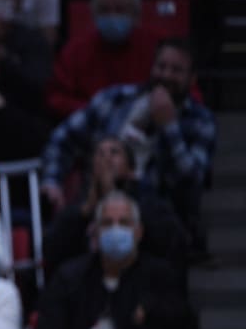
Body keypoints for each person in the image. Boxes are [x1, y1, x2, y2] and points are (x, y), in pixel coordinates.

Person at [40, 38, 215, 259]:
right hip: (95, 202)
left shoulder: (200, 121)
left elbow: (191, 183)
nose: (166, 75)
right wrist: (51, 181)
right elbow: (62, 138)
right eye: (161, 67)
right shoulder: (114, 99)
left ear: (192, 79)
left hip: (159, 216)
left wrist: (169, 127)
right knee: (61, 235)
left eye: (176, 70)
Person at [27, 191, 180, 329]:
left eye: (124, 223)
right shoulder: (69, 277)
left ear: (139, 231)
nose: (116, 230)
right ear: (96, 233)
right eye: (107, 223)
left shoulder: (159, 278)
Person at [43, 137, 189, 284]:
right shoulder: (77, 211)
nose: (106, 158)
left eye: (114, 152)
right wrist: (85, 212)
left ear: (131, 170)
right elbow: (51, 252)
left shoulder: (152, 205)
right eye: (100, 154)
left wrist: (115, 199)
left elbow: (173, 244)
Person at [46, 0, 163, 119]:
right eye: (105, 10)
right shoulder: (75, 50)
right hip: (89, 125)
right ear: (94, 15)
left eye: (120, 10)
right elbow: (55, 98)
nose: (112, 16)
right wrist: (95, 110)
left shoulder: (156, 47)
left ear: (136, 15)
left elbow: (183, 91)